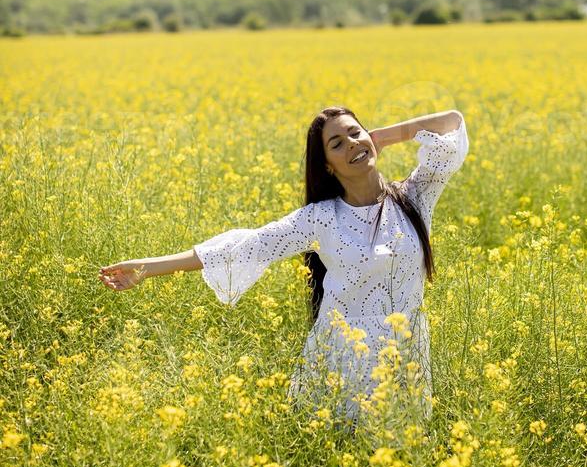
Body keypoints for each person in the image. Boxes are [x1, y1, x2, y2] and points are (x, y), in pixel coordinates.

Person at [99, 106, 469, 430]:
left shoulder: (415, 196)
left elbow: (451, 122)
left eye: (354, 133)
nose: (352, 143)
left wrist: (379, 137)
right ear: (326, 165)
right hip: (341, 365)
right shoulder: (320, 219)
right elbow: (244, 245)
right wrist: (146, 268)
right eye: (337, 143)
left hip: (404, 362)